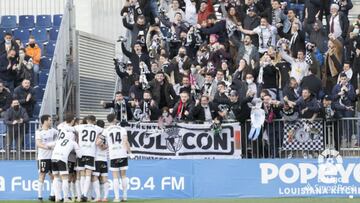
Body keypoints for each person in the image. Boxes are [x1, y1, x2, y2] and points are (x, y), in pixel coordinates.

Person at [102, 114, 134, 202]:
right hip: (122, 154)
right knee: (123, 175)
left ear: (108, 120)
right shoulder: (122, 129)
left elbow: (99, 142)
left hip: (113, 155)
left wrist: (104, 147)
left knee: (115, 177)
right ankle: (125, 196)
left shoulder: (106, 130)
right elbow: (126, 142)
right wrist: (130, 152)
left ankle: (117, 198)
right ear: (115, 119)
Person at [74, 115, 103, 202]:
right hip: (90, 153)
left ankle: (82, 195)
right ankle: (84, 194)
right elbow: (105, 132)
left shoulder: (80, 126)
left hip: (81, 153)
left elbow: (70, 128)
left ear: (87, 120)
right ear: (94, 121)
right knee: (88, 175)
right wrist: (100, 138)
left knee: (82, 174)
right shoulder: (97, 128)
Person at [51, 129, 82, 203]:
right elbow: (80, 155)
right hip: (62, 159)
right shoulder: (73, 142)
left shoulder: (59, 141)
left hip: (53, 158)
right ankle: (66, 198)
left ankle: (57, 198)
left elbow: (49, 145)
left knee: (56, 178)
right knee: (65, 178)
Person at [35, 115, 59, 202]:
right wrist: (48, 147)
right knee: (42, 175)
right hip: (43, 157)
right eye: (49, 120)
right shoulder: (39, 131)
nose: (51, 121)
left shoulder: (53, 131)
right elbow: (38, 144)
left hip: (52, 157)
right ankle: (40, 196)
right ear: (45, 121)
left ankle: (52, 195)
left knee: (53, 175)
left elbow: (61, 134)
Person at [92, 120, 109, 202]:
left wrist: (101, 146)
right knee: (104, 177)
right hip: (104, 159)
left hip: (97, 159)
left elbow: (97, 143)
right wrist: (105, 146)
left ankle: (98, 197)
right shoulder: (107, 134)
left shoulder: (99, 134)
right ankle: (105, 197)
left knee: (95, 177)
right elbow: (107, 145)